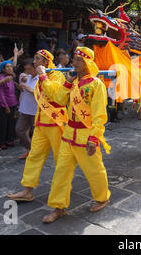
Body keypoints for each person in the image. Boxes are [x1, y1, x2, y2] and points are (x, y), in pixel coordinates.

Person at [39, 46, 111, 224]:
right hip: (69, 134)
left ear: (88, 62)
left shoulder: (96, 84)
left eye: (79, 60)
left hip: (86, 136)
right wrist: (67, 83)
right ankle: (58, 206)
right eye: (74, 59)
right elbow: (59, 100)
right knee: (61, 172)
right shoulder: (72, 82)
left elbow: (100, 114)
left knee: (94, 170)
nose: (75, 63)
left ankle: (102, 197)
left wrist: (94, 137)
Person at [7, 49, 67, 202]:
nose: (34, 62)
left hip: (55, 123)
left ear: (46, 62)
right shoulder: (38, 75)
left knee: (60, 159)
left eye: (37, 59)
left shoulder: (57, 75)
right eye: (34, 59)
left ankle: (61, 194)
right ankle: (28, 190)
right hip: (40, 122)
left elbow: (54, 95)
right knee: (34, 156)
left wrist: (42, 75)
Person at [15, 59, 39, 159]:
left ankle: (36, 152)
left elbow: (42, 94)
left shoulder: (40, 79)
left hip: (35, 110)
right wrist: (21, 87)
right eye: (27, 69)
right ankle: (31, 149)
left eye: (29, 69)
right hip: (25, 108)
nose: (28, 71)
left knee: (37, 134)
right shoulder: (28, 78)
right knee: (19, 130)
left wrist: (29, 90)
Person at [0, 61, 18, 149]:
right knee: (3, 124)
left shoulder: (11, 77)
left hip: (13, 103)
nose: (10, 68)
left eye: (10, 67)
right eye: (7, 67)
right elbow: (1, 94)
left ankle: (9, 140)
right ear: (3, 69)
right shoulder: (2, 78)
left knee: (11, 123)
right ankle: (1, 142)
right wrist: (5, 106)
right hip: (5, 105)